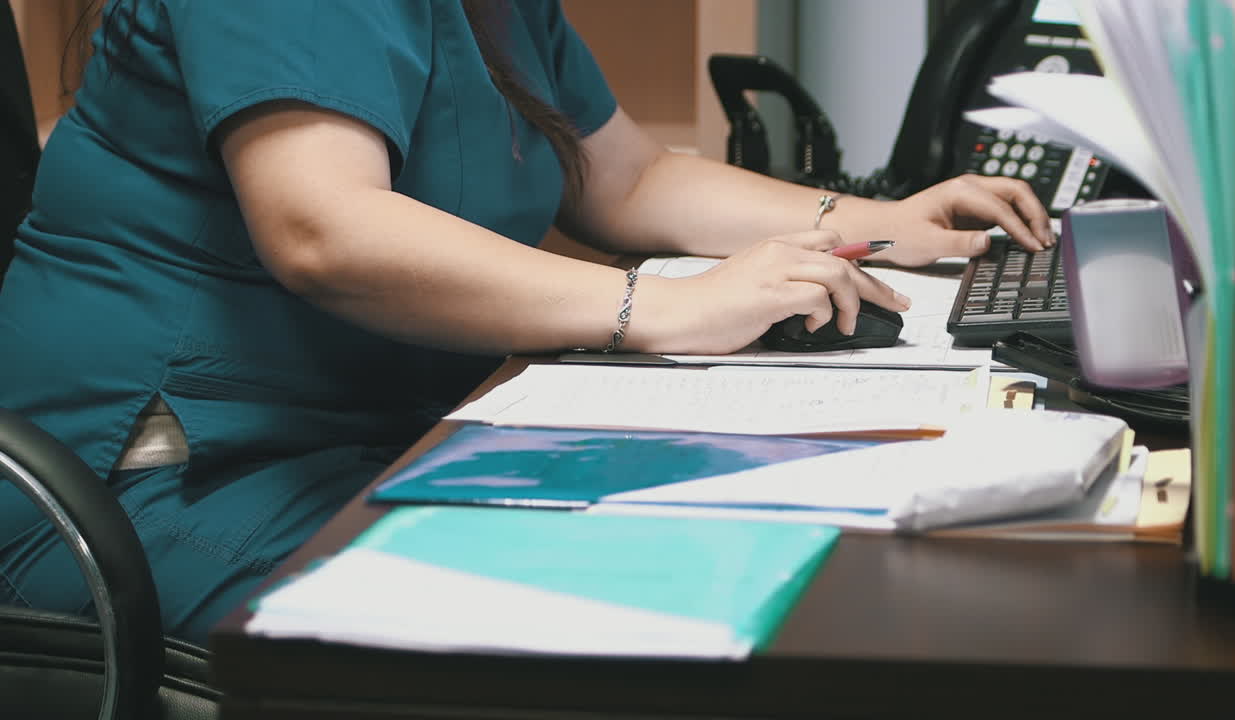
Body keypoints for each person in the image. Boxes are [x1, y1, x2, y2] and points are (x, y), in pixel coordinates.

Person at [0, 0, 1053, 644]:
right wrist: (664, 309)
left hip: (363, 451)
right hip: (157, 479)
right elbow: (322, 227)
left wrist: (879, 224)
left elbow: (626, 179)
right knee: (612, 630)